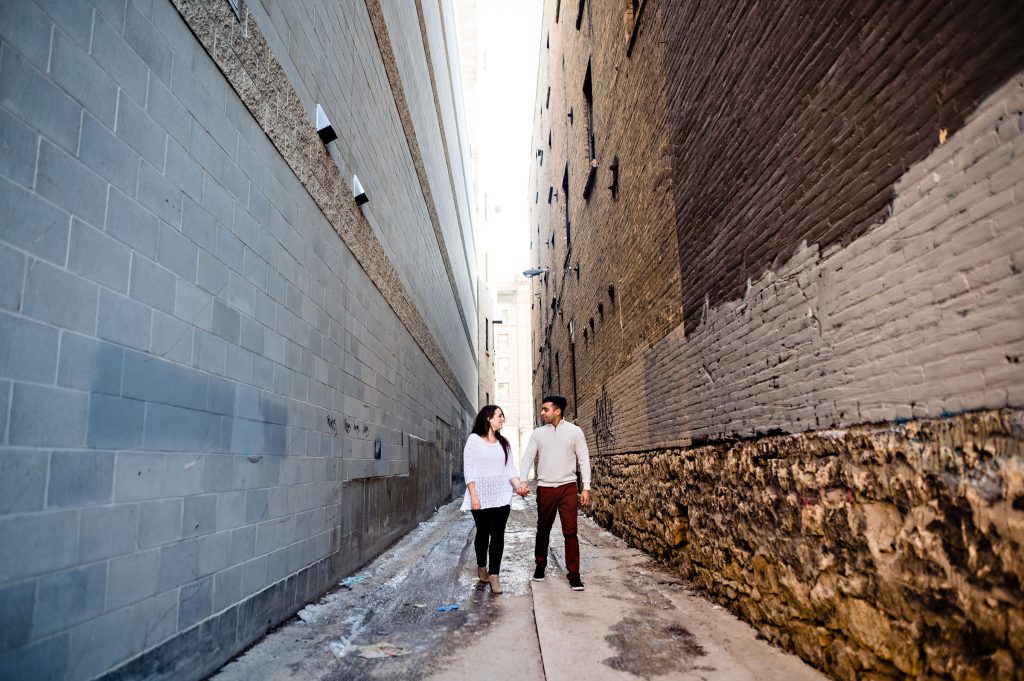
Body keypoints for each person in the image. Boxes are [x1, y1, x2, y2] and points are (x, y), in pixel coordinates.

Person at [517, 395, 591, 591]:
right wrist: (522, 480)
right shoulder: (538, 434)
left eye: (545, 409)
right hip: (545, 488)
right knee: (543, 529)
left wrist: (586, 487)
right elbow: (527, 457)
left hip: (568, 486)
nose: (542, 412)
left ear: (557, 411)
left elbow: (584, 459)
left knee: (571, 532)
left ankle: (574, 575)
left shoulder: (575, 432)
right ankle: (540, 566)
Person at [462, 404, 526, 594]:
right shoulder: (474, 440)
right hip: (480, 496)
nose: (502, 419)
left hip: (501, 495)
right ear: (489, 418)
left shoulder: (504, 443)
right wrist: (473, 494)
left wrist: (518, 486)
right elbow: (469, 469)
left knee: (497, 535)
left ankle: (494, 576)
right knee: (482, 533)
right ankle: (482, 567)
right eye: (499, 416)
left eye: (503, 417)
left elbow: (510, 470)